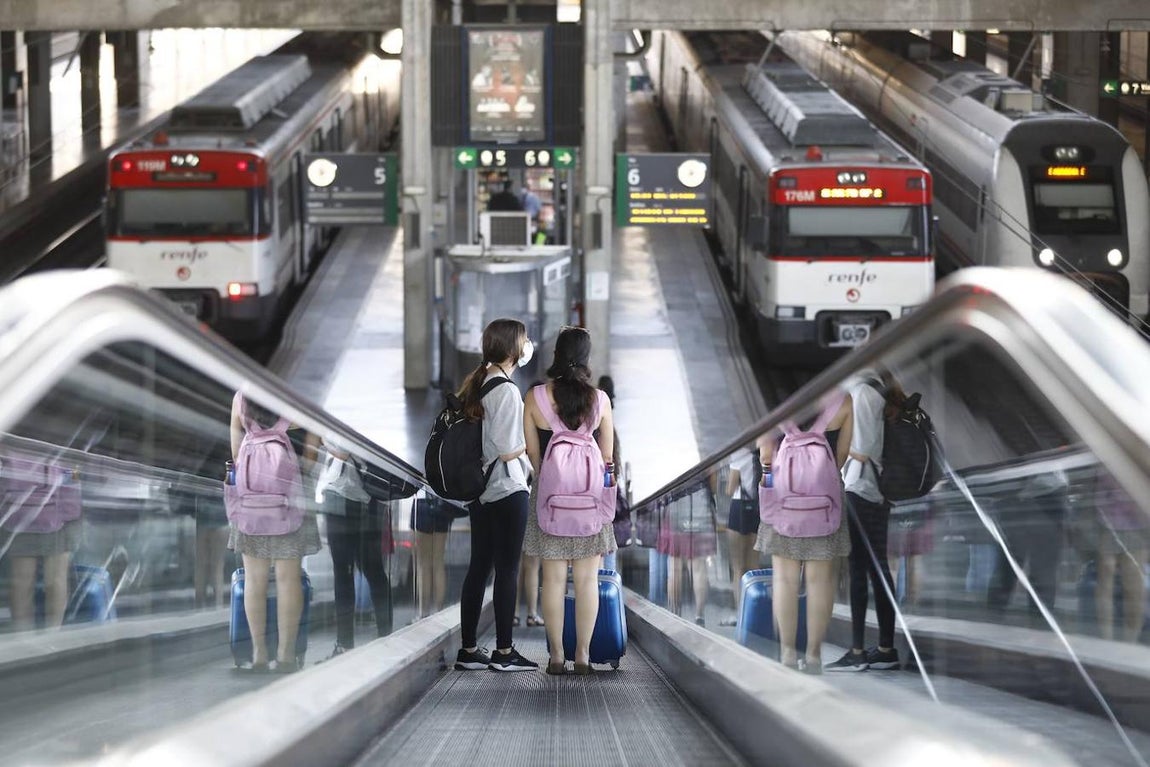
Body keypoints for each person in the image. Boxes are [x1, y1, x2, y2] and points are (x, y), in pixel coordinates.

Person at [523, 326, 616, 675]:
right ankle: (582, 657)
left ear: (556, 354)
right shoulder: (601, 400)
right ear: (587, 358)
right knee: (587, 581)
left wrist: (550, 475)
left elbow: (533, 453)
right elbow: (607, 457)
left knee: (554, 580)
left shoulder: (535, 397)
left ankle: (557, 657)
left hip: (550, 500)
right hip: (590, 501)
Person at [454, 318, 538, 672]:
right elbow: (506, 448)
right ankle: (505, 652)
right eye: (524, 339)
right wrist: (531, 447)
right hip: (506, 489)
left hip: (482, 493)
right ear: (512, 349)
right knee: (507, 570)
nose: (527, 344)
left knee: (479, 568)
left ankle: (470, 649)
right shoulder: (505, 390)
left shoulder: (480, 382)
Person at [757, 391, 853, 673]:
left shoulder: (772, 400)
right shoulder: (843, 401)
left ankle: (787, 654)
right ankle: (813, 656)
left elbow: (765, 454)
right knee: (820, 582)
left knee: (785, 580)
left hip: (784, 503)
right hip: (825, 507)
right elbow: (842, 456)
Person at [227, 393, 320, 673]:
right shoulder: (300, 398)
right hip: (289, 504)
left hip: (251, 502)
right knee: (287, 579)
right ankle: (286, 655)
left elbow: (235, 454)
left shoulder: (242, 397)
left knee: (254, 581)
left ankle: (258, 654)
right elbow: (312, 455)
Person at [826, 370, 898, 672]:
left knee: (862, 570)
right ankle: (884, 648)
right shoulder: (873, 391)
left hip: (861, 489)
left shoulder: (861, 393)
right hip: (873, 491)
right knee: (875, 567)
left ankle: (859, 651)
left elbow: (865, 450)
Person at [316, 444, 392, 659]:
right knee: (349, 571)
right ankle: (347, 642)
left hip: (359, 497)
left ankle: (381, 638)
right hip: (344, 496)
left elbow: (340, 449)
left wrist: (323, 435)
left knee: (367, 570)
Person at [1092, 472, 1148, 642]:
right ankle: (1107, 639)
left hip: (1138, 526)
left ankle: (1130, 641)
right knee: (1106, 583)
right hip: (1108, 523)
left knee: (1134, 587)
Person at [660, 478, 715, 626]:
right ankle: (699, 617)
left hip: (675, 508)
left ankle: (674, 615)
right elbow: (713, 483)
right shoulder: (704, 453)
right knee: (698, 568)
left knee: (675, 567)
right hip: (700, 508)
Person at [721, 445, 760, 627]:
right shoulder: (763, 448)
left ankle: (741, 614)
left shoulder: (738, 451)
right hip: (758, 507)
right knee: (753, 565)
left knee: (738, 568)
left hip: (739, 507)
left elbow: (730, 488)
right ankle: (757, 611)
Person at [412, 492, 454, 620]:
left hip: (422, 500)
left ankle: (423, 613)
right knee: (438, 563)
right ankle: (439, 612)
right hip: (442, 502)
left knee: (423, 564)